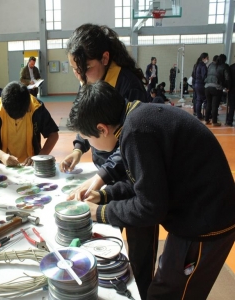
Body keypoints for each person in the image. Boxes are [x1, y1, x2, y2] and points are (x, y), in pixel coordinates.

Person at [68, 80, 235, 300]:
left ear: (102, 129)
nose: (90, 144)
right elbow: (145, 183)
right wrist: (104, 195)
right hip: (198, 213)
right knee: (164, 288)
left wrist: (99, 212)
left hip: (205, 224)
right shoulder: (135, 116)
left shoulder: (135, 132)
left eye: (88, 138)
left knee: (168, 294)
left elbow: (150, 207)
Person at [59, 24, 153, 300]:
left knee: (138, 245)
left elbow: (129, 144)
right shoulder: (89, 78)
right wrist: (78, 148)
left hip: (132, 170)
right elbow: (85, 118)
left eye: (84, 69)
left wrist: (100, 177)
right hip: (110, 169)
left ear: (104, 58)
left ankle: (141, 290)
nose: (80, 77)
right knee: (110, 236)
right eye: (75, 71)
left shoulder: (128, 86)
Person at [0, 81, 59, 166]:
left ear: (28, 106)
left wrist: (39, 157)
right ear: (4, 107)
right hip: (3, 164)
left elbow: (53, 134)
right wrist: (3, 156)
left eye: (22, 116)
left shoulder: (36, 107)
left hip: (31, 165)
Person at [204, 54, 230, 126]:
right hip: (216, 88)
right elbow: (227, 78)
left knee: (208, 104)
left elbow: (207, 75)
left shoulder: (211, 65)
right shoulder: (224, 66)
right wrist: (227, 87)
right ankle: (214, 122)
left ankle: (206, 120)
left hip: (207, 87)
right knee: (215, 105)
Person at [191, 52, 209, 120]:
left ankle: (199, 115)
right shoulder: (203, 66)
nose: (208, 59)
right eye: (207, 58)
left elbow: (193, 75)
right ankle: (207, 116)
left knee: (198, 100)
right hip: (201, 84)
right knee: (206, 100)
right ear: (203, 58)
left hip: (196, 84)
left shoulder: (196, 65)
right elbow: (204, 76)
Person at [226, 61, 235, 126]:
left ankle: (229, 121)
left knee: (231, 106)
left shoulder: (231, 67)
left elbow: (228, 79)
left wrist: (228, 87)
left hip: (232, 89)